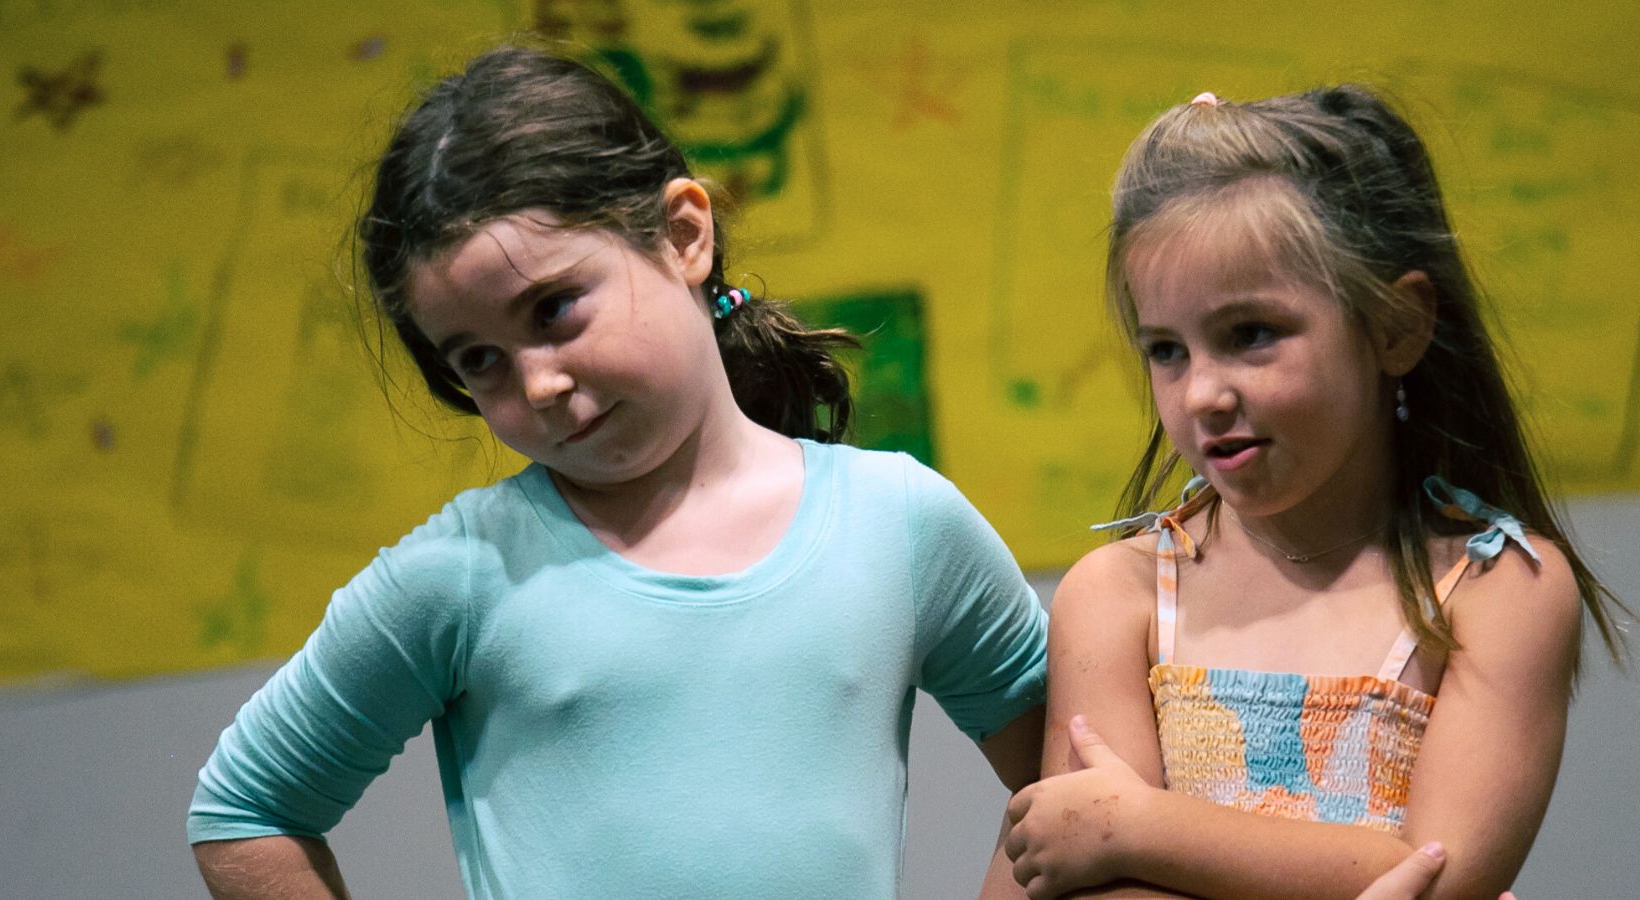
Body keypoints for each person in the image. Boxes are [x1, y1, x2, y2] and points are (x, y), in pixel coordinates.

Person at [186, 46, 1046, 899]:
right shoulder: (460, 577)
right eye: (480, 359)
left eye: (554, 309)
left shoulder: (900, 524)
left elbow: (1077, 780)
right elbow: (244, 811)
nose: (538, 384)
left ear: (684, 235)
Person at [999, 86, 1630, 899]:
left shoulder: (1498, 590)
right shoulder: (1117, 596)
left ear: (1396, 326)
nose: (1202, 395)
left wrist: (1138, 827)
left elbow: (1440, 878)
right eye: (1166, 351)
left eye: (1250, 334)